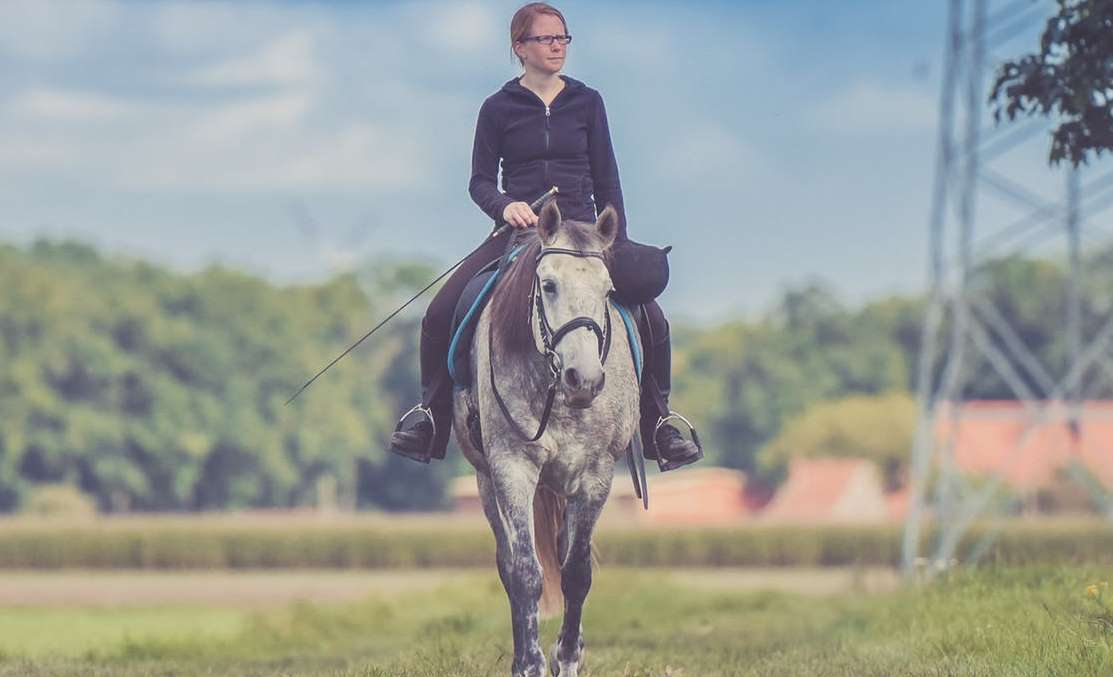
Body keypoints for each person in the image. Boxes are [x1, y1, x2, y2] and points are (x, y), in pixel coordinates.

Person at [389, 2, 702, 471]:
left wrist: (615, 243)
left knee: (653, 319)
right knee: (440, 311)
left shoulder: (588, 101)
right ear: (520, 47)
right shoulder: (497, 107)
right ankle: (429, 419)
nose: (558, 46)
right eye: (546, 38)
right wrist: (504, 205)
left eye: (563, 38)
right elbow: (478, 181)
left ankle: (658, 423)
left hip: (585, 234)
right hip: (520, 232)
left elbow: (608, 178)